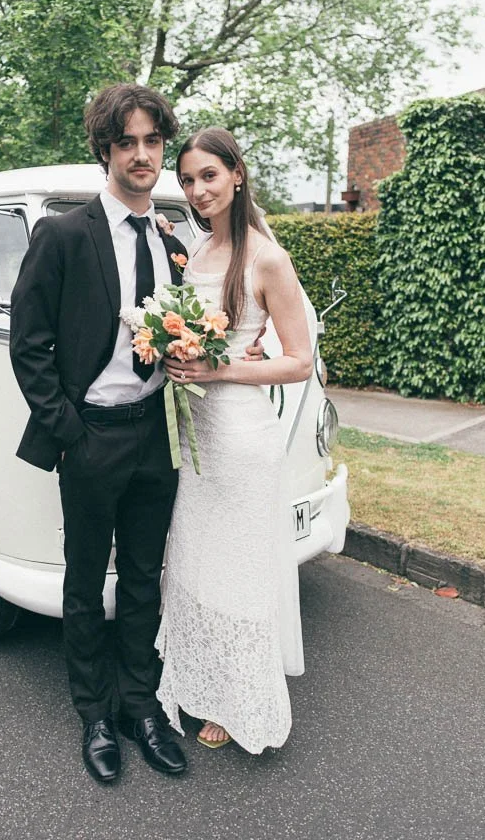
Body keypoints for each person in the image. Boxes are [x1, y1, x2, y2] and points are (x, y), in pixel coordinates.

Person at [9, 86, 265, 783]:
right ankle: (94, 713)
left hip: (157, 437)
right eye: (129, 142)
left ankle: (139, 704)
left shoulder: (174, 242)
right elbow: (29, 347)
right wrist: (69, 433)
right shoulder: (62, 236)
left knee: (146, 578)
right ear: (106, 151)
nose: (144, 154)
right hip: (91, 435)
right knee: (88, 581)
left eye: (154, 141)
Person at [156, 127, 313, 754]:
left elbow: (298, 361)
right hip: (197, 435)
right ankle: (198, 677)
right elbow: (198, 337)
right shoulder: (195, 255)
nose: (197, 191)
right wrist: (171, 354)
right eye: (188, 181)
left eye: (208, 177)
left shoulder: (267, 258)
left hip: (243, 437)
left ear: (237, 175)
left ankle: (237, 698)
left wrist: (221, 369)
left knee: (239, 567)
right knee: (196, 557)